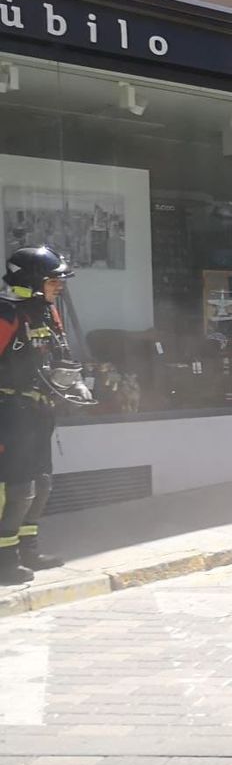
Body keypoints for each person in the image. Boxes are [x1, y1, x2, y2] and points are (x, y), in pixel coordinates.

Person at [0, 246, 93, 584]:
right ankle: (4, 561)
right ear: (32, 280)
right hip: (10, 413)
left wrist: (76, 383)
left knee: (41, 484)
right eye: (54, 280)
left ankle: (29, 551)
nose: (60, 286)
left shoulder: (47, 312)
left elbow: (61, 355)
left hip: (40, 410)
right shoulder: (6, 314)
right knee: (15, 487)